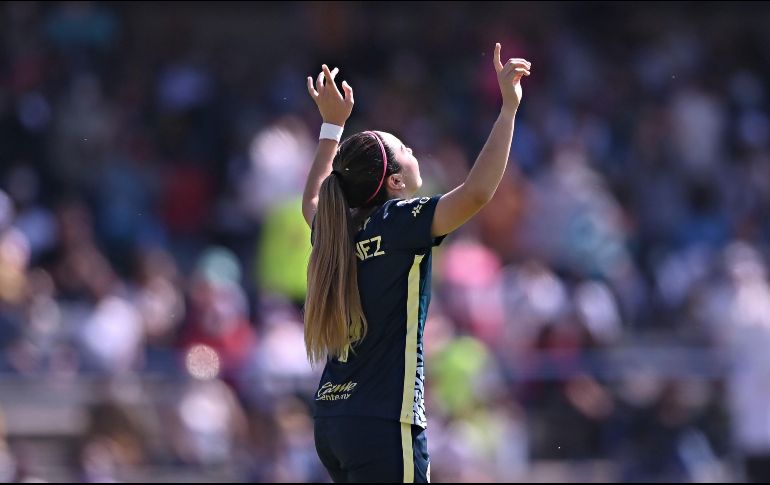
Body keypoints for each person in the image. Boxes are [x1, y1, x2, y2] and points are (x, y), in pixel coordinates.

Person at [302, 43, 530, 483]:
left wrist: (331, 126)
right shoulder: (400, 221)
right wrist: (508, 112)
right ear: (395, 180)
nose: (413, 148)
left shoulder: (337, 229)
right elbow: (478, 192)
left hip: (333, 420)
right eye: (404, 147)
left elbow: (314, 199)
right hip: (384, 422)